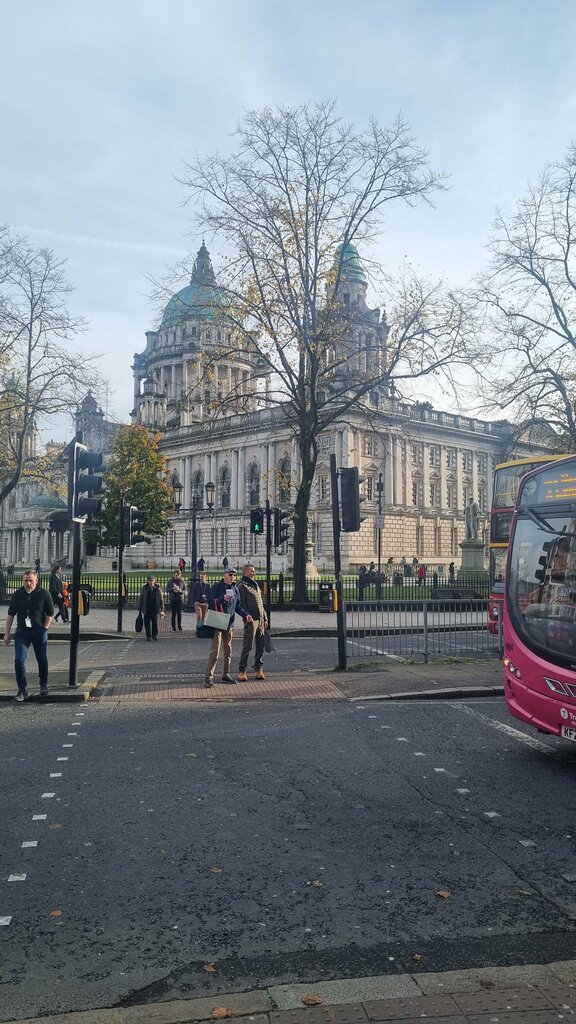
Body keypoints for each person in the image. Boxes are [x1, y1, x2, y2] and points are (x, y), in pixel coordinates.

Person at [3, 568, 54, 701]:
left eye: (31, 580)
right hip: (22, 632)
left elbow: (50, 614)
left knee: (42, 659)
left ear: (36, 580)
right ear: (23, 581)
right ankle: (22, 689)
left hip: (39, 631)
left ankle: (43, 684)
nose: (28, 583)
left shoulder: (44, 594)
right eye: (25, 580)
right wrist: (6, 634)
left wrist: (45, 628)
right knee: (19, 660)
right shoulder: (17, 595)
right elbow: (10, 616)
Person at [204, 567, 252, 687]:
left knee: (228, 651)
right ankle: (208, 677)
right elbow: (210, 601)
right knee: (215, 651)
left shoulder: (235, 589)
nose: (232, 577)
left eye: (234, 575)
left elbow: (238, 607)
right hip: (217, 621)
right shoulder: (217, 587)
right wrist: (222, 599)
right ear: (224, 575)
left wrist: (246, 615)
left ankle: (226, 675)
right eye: (230, 575)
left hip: (229, 623)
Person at [237, 564, 267, 681]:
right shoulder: (242, 586)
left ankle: (258, 668)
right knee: (247, 646)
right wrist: (247, 615)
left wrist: (264, 617)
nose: (254, 573)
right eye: (251, 571)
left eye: (254, 571)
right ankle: (242, 670)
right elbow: (242, 604)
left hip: (259, 619)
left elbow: (260, 602)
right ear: (245, 572)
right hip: (251, 620)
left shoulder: (255, 585)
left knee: (260, 646)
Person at [137, 576, 165, 641]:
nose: (151, 582)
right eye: (150, 580)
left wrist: (162, 608)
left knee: (154, 622)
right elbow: (141, 598)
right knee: (146, 623)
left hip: (154, 608)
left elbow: (161, 599)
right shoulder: (144, 588)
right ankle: (148, 636)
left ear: (155, 581)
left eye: (152, 580)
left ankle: (154, 635)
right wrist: (139, 608)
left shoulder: (158, 589)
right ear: (147, 581)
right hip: (146, 608)